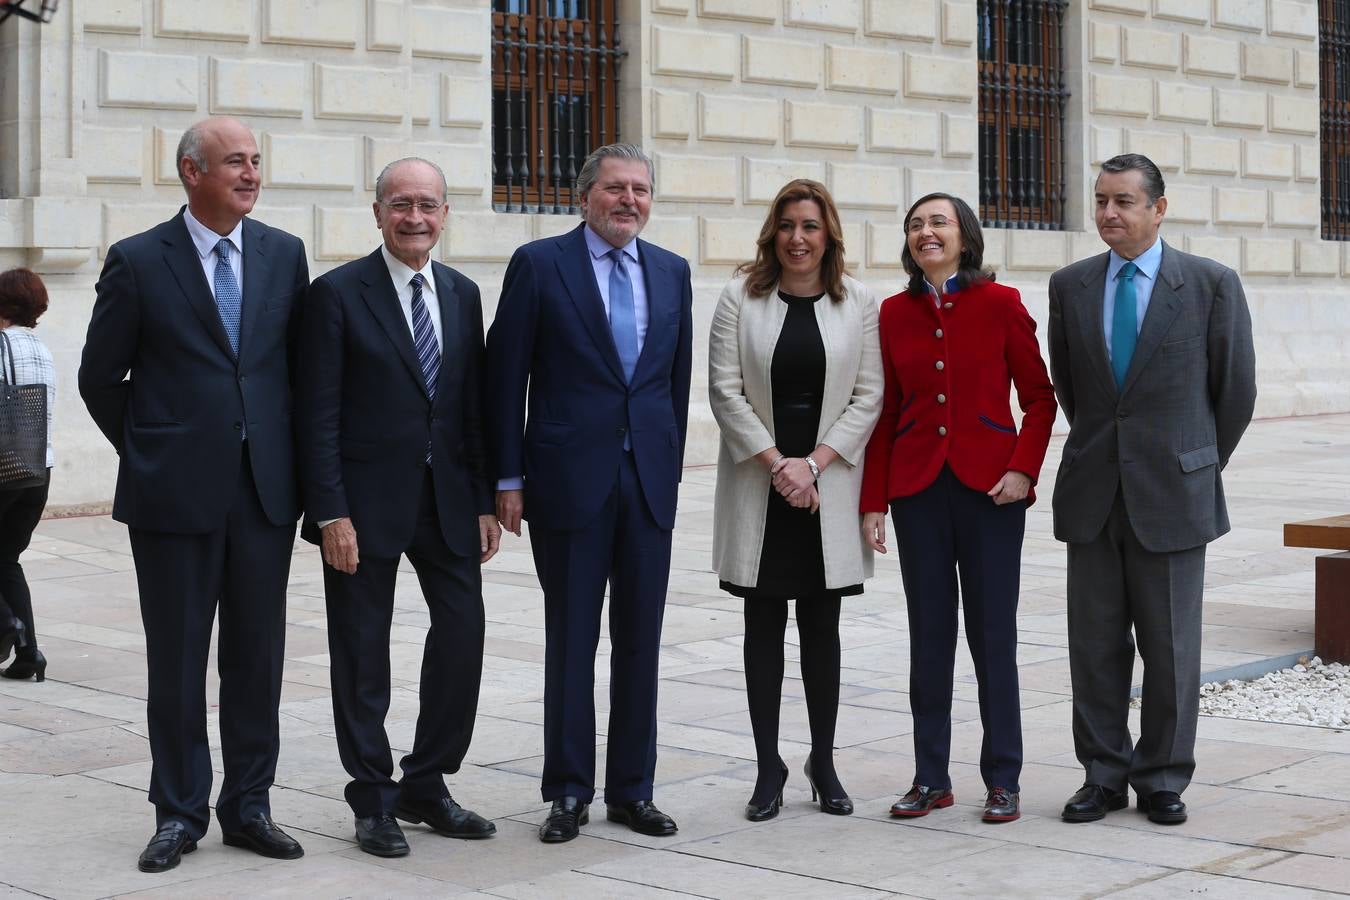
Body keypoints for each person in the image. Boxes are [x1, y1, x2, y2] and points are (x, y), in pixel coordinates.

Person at [78, 116, 309, 873]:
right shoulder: (140, 260)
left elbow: (295, 373)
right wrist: (155, 451)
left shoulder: (283, 254)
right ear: (190, 171)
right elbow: (98, 377)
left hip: (265, 494)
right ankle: (179, 810)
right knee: (177, 661)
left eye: (255, 161)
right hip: (173, 498)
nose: (250, 174)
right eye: (233, 162)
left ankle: (249, 806)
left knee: (256, 658)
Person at [486, 143, 693, 843]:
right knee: (571, 640)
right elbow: (504, 376)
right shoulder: (541, 265)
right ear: (584, 197)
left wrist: (669, 466)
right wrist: (507, 478)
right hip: (567, 484)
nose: (628, 199)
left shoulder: (672, 271)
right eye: (615, 188)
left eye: (639, 189)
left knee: (641, 643)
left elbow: (674, 381)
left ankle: (633, 789)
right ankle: (568, 790)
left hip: (647, 485)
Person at [296, 157, 500, 858]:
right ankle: (373, 799)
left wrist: (480, 499)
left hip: (446, 503)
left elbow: (468, 407)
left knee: (464, 634)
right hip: (361, 507)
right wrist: (329, 512)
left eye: (428, 205)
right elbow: (316, 413)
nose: (415, 217)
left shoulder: (463, 293)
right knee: (361, 655)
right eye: (401, 204)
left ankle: (427, 782)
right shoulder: (337, 295)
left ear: (446, 215)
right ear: (377, 212)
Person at [1049, 154, 1256, 826]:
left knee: (1170, 650)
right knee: (1095, 646)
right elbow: (1075, 391)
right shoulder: (1071, 285)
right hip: (1094, 494)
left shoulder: (1209, 285)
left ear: (1159, 208)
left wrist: (1192, 463)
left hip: (1172, 494)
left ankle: (1162, 776)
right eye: (1102, 200)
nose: (1109, 213)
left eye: (1125, 202)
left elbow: (1235, 393)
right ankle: (1102, 776)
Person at [861, 192, 1056, 824]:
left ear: (965, 237)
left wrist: (1023, 469)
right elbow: (886, 412)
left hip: (992, 491)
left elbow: (1040, 399)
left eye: (938, 222)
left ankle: (1003, 778)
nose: (926, 232)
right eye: (915, 224)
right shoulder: (892, 313)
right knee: (929, 636)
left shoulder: (1001, 304)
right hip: (918, 491)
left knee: (993, 636)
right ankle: (930, 777)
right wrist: (873, 502)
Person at [707, 179, 881, 821]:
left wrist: (813, 465)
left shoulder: (858, 301)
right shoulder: (740, 297)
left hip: (826, 485)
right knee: (761, 630)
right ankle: (767, 767)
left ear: (828, 233)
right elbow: (725, 392)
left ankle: (824, 762)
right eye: (787, 226)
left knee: (822, 631)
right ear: (772, 234)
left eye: (810, 226)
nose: (798, 238)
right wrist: (780, 465)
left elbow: (870, 395)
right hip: (762, 481)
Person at [0, 267, 55, 682]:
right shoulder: (40, 348)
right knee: (7, 560)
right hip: (38, 468)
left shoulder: (0, 344)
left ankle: (6, 626)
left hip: (3, 467)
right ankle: (28, 654)